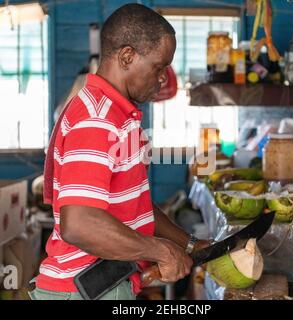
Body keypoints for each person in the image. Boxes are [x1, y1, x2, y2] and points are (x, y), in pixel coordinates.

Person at [29, 3, 210, 300]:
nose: (164, 77)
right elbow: (80, 223)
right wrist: (161, 251)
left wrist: (189, 244)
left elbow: (137, 206)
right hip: (82, 290)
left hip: (105, 286)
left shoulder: (120, 116)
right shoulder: (97, 119)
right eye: (159, 66)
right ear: (127, 56)